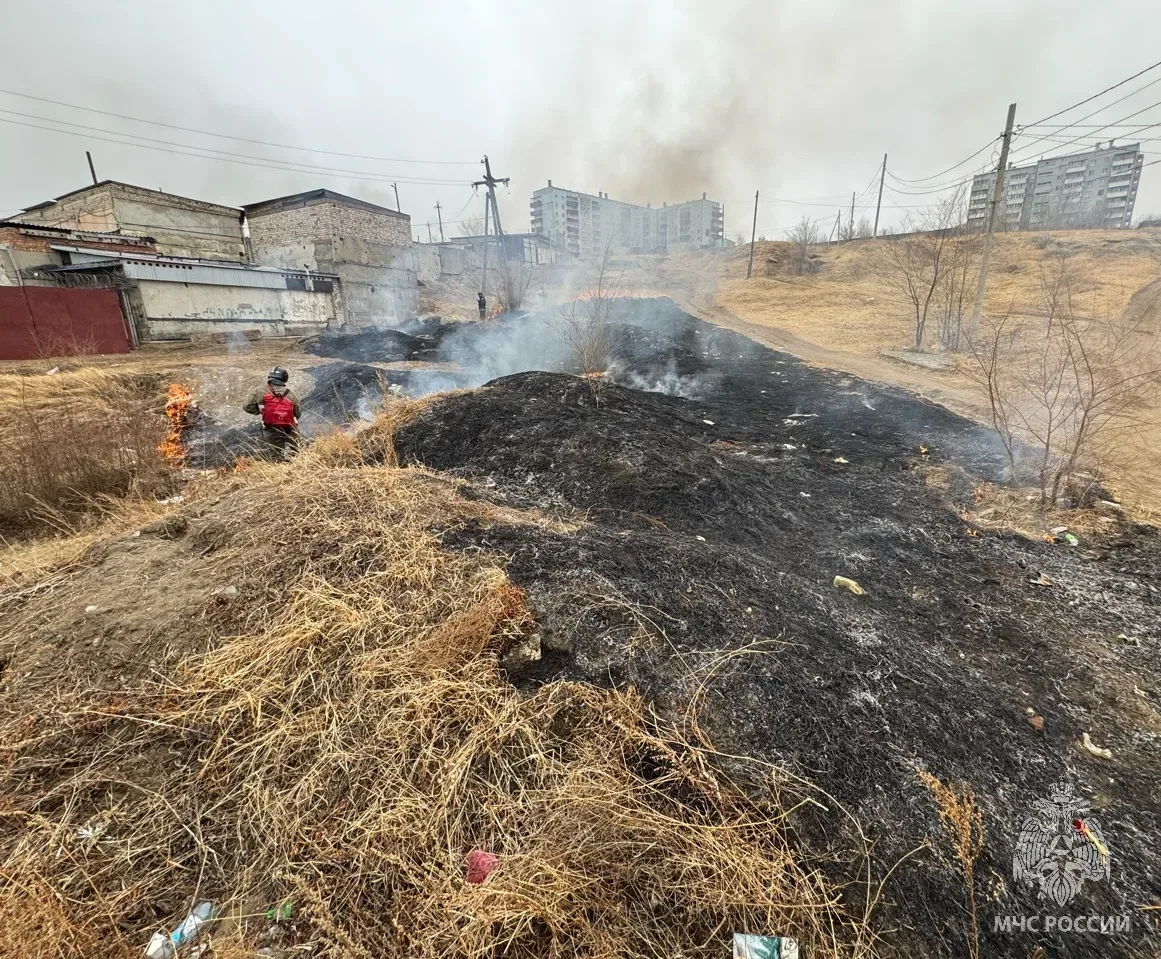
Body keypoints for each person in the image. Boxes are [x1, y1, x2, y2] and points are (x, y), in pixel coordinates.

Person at [243, 366, 301, 459]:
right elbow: (298, 413)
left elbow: (247, 407)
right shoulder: (291, 393)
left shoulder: (258, 391)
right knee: (297, 453)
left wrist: (264, 412)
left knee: (276, 456)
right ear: (284, 378)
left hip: (270, 428)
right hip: (290, 428)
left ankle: (277, 470)